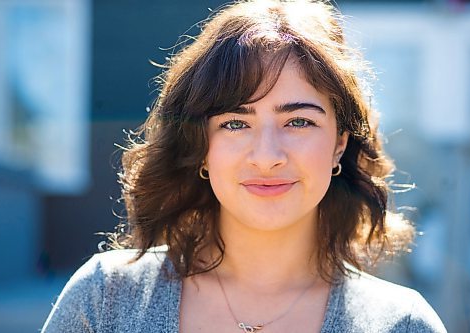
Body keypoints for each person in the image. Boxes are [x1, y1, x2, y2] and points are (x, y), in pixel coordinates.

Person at [41, 0, 447, 332]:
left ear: (339, 143)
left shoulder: (402, 323)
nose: (267, 155)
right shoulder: (104, 301)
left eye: (298, 122)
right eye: (236, 123)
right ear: (200, 145)